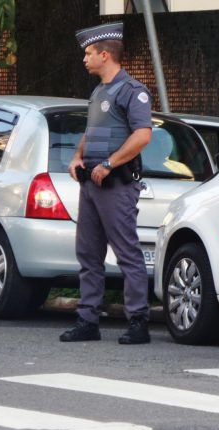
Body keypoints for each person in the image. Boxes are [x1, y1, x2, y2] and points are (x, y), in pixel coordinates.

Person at [59, 22, 153, 344]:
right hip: (91, 184)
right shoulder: (99, 92)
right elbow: (91, 132)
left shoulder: (132, 91)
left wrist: (110, 164)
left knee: (126, 252)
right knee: (88, 254)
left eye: (89, 53)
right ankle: (88, 320)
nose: (84, 59)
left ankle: (138, 321)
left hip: (117, 185)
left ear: (105, 55)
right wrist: (77, 157)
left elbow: (143, 135)